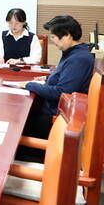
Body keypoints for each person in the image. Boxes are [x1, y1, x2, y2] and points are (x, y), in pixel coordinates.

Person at [14, 15, 94, 157]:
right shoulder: (73, 53)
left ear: (67, 36)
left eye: (53, 37)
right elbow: (64, 76)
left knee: (17, 122)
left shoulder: (78, 59)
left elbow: (61, 92)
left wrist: (29, 84)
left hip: (56, 116)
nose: (52, 40)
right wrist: (47, 78)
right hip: (52, 109)